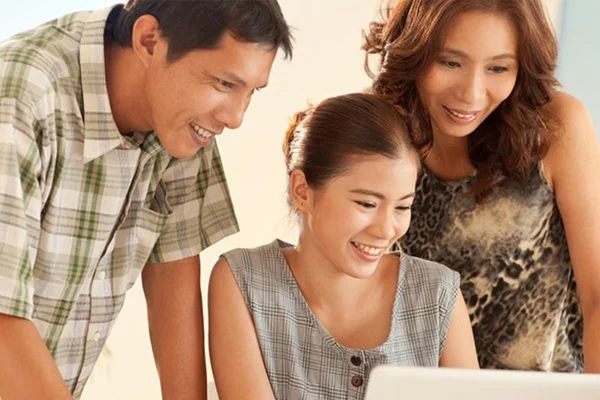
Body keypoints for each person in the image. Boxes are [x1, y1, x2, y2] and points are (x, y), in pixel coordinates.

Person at [0, 1, 292, 399]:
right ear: (149, 40)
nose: (236, 117)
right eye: (225, 83)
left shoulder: (184, 121)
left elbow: (174, 271)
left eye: (250, 92)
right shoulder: (20, 97)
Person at [363, 0, 600, 372]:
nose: (471, 94)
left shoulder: (556, 127)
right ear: (414, 49)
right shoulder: (375, 128)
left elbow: (598, 296)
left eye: (498, 68)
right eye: (450, 62)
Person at [208, 93, 478, 400]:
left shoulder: (438, 293)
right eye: (366, 203)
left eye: (402, 207)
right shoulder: (244, 281)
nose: (387, 229)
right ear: (302, 191)